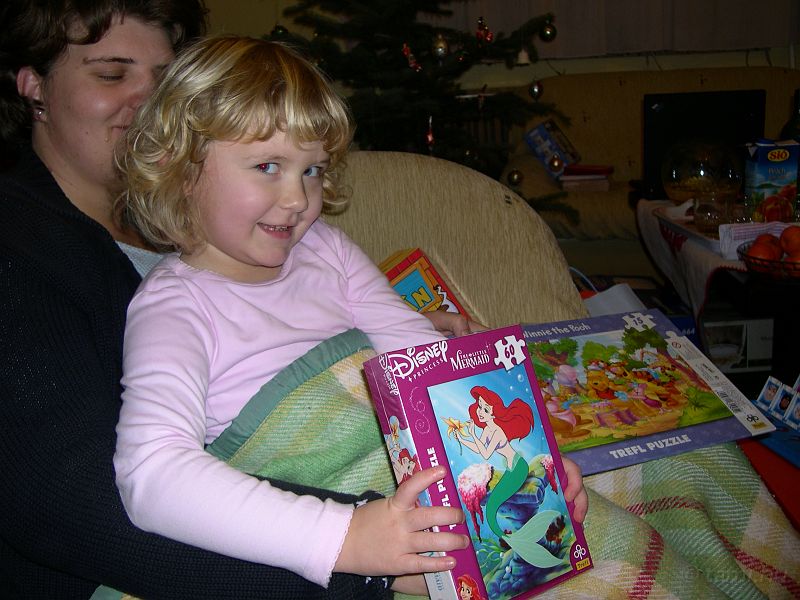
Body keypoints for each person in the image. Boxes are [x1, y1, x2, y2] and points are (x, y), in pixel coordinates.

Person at [0, 1, 475, 598]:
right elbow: (97, 497)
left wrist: (523, 466)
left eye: (166, 77)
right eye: (112, 73)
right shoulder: (33, 256)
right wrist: (361, 551)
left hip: (412, 507)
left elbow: (419, 361)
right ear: (33, 85)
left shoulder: (301, 241)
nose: (148, 101)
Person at [113, 35, 587, 596]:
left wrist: (528, 461)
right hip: (333, 524)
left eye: (312, 170)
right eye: (268, 165)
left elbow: (424, 361)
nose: (298, 198)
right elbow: (152, 476)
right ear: (180, 169)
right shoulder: (174, 305)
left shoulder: (328, 250)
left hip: (441, 495)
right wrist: (346, 537)